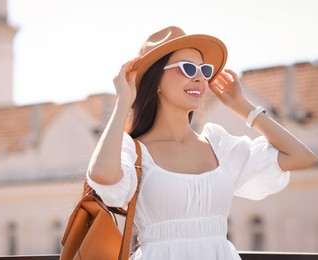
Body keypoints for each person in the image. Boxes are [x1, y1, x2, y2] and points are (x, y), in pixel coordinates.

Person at [86, 26, 316, 259]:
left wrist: (243, 107)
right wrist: (124, 101)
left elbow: (301, 156)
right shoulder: (133, 150)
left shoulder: (218, 145)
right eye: (187, 68)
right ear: (155, 80)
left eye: (204, 70)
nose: (200, 78)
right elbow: (103, 176)